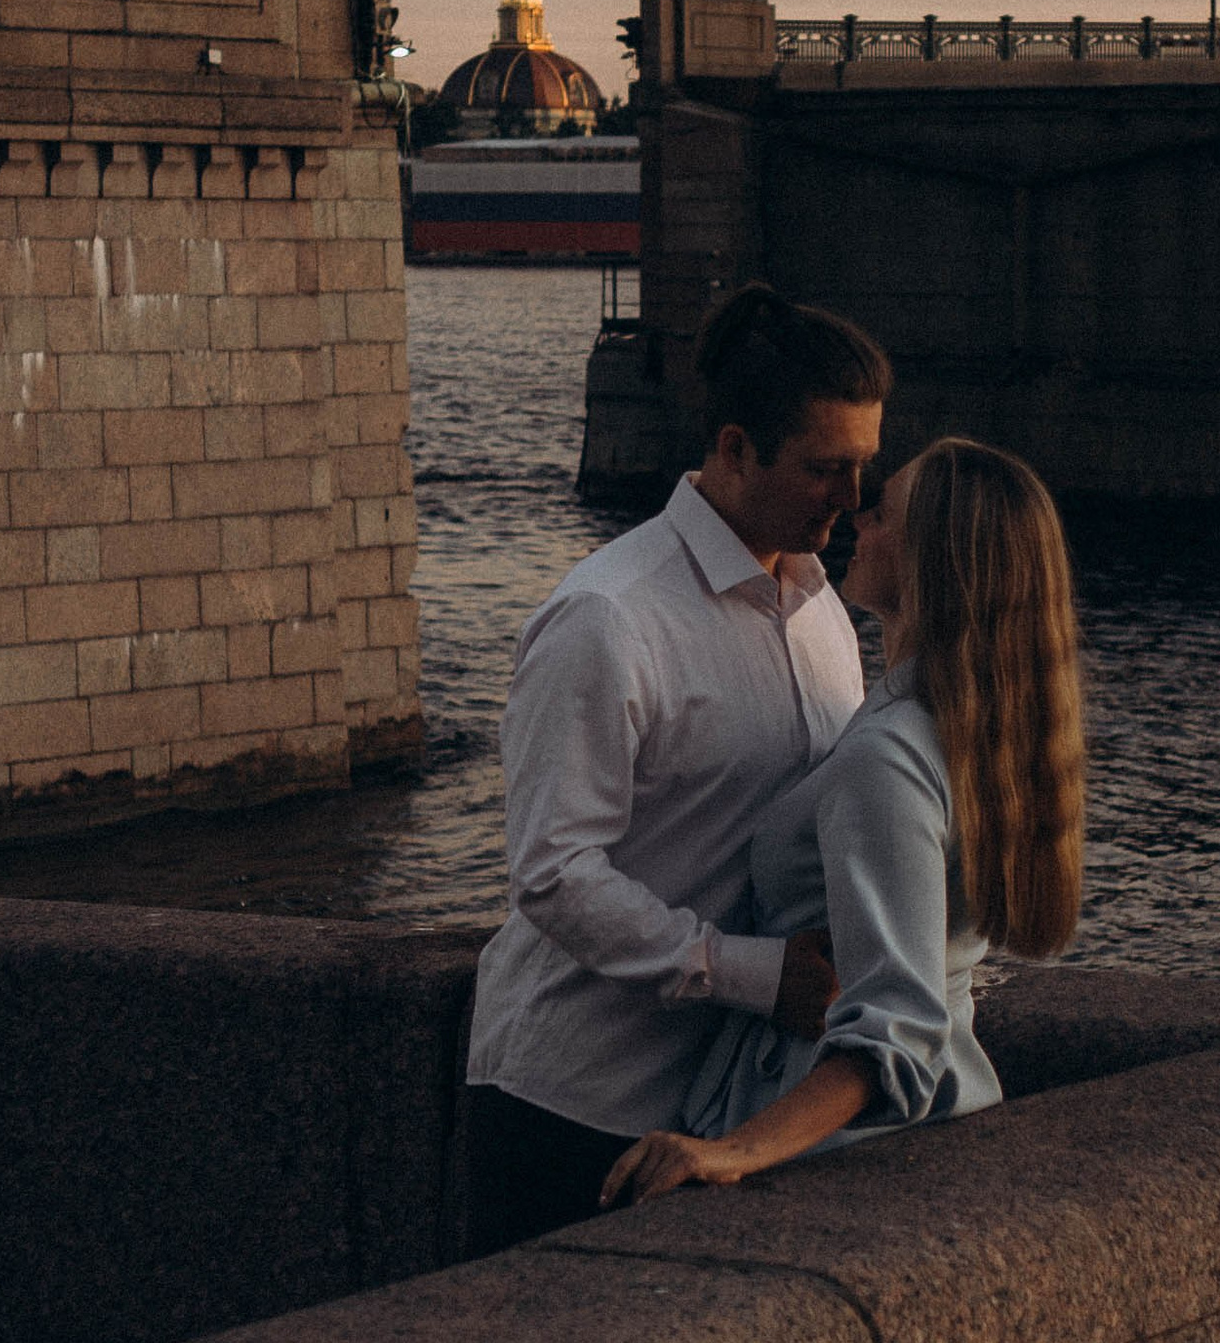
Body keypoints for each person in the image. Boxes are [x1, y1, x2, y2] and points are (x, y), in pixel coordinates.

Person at [462, 283, 891, 1245]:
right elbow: (554, 874)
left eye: (865, 466)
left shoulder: (824, 608)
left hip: (737, 1105)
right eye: (828, 468)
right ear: (735, 448)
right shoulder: (608, 618)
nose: (853, 499)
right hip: (578, 1103)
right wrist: (752, 974)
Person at [601, 436, 1084, 1205]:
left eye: (886, 515)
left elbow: (890, 1029)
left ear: (935, 560)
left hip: (837, 1147)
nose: (860, 518)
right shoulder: (980, 728)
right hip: (948, 1114)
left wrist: (728, 1151)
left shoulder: (888, 758)